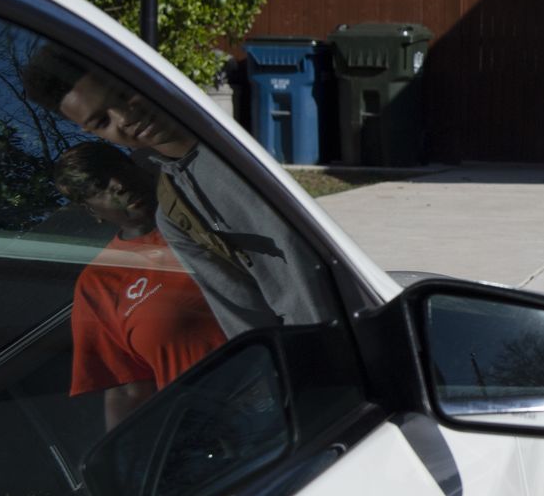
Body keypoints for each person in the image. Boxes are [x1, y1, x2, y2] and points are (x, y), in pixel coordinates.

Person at [23, 45, 332, 336]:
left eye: (123, 92)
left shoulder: (253, 135)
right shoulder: (177, 213)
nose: (127, 118)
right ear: (91, 132)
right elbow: (249, 325)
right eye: (103, 120)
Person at [54, 142, 227, 429]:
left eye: (118, 170)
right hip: (224, 427)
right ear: (91, 210)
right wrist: (126, 464)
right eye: (99, 186)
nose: (119, 185)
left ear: (136, 167)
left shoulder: (208, 204)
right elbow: (126, 390)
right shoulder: (100, 282)